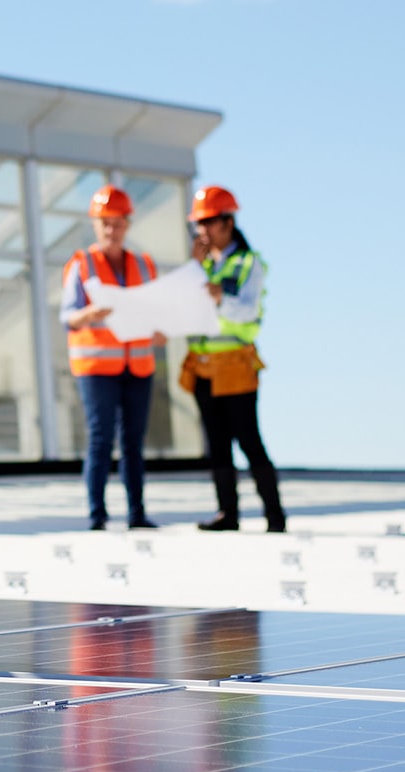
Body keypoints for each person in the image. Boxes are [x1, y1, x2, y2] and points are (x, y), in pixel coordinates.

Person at [181, 185, 285, 533]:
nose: (202, 231)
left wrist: (217, 296)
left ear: (227, 222)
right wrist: (195, 271)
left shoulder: (248, 262)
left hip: (236, 366)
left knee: (248, 439)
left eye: (208, 222)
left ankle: (274, 514)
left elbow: (246, 311)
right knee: (217, 443)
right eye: (198, 224)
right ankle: (228, 514)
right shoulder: (202, 265)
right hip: (203, 367)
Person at [60, 185, 164, 531]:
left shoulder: (144, 264)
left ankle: (137, 514)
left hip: (137, 363)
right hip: (97, 366)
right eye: (105, 223)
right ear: (95, 223)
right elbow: (67, 317)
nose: (111, 230)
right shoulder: (82, 264)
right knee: (101, 439)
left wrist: (159, 329)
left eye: (117, 223)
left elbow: (157, 311)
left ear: (127, 224)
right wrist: (89, 313)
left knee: (133, 442)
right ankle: (97, 516)